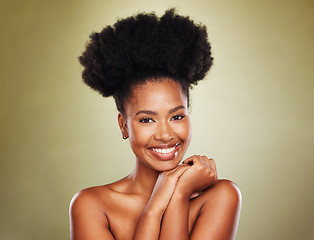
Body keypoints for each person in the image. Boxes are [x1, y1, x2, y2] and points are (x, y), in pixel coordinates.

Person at [69, 9, 241, 240]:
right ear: (123, 125)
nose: (165, 134)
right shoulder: (91, 205)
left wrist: (179, 193)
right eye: (147, 119)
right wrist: (158, 202)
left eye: (177, 116)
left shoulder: (220, 196)